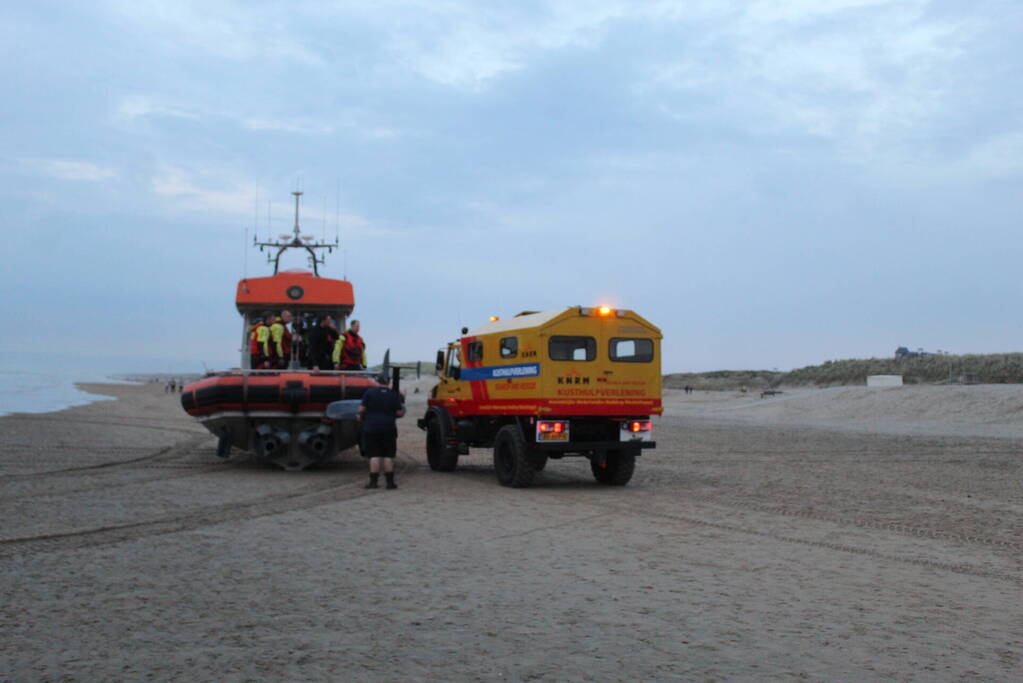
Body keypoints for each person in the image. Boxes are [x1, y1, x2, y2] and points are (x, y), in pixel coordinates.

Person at [358, 377, 405, 489]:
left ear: (377, 382)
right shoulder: (394, 394)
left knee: (374, 455)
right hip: (388, 427)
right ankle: (390, 483)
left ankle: (373, 482)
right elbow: (399, 412)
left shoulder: (369, 392)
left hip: (371, 427)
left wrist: (361, 417)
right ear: (389, 383)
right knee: (388, 456)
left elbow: (361, 409)